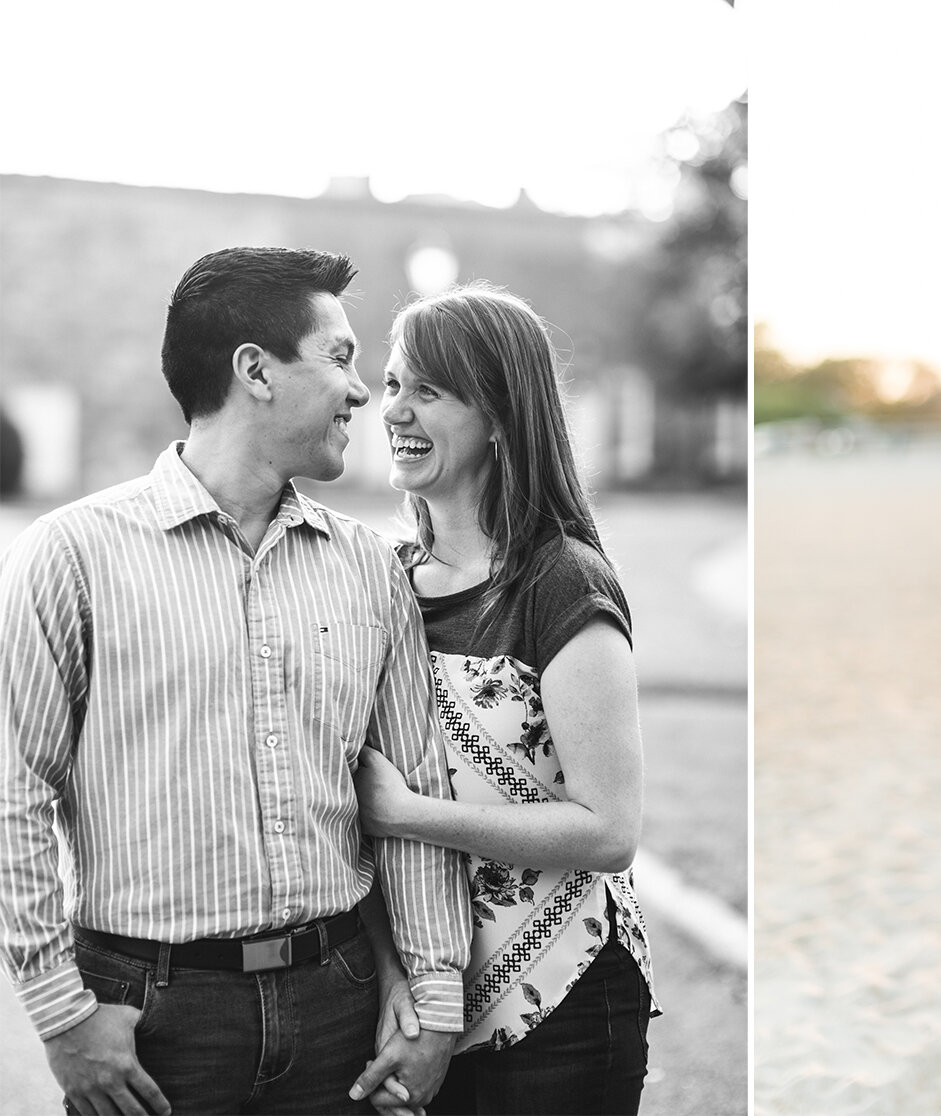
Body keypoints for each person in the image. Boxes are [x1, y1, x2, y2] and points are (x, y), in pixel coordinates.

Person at [0, 247, 470, 1116]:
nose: (364, 392)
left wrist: (435, 1000)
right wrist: (62, 1014)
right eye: (339, 358)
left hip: (342, 1009)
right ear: (254, 370)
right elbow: (12, 791)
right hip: (148, 1016)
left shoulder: (371, 569)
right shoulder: (69, 557)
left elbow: (417, 790)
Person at [345, 283, 659, 1116]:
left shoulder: (562, 582)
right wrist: (401, 991)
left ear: (498, 414)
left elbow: (610, 829)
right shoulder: (383, 586)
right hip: (421, 998)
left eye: (430, 391)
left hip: (566, 1007)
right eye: (392, 386)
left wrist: (409, 813)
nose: (397, 412)